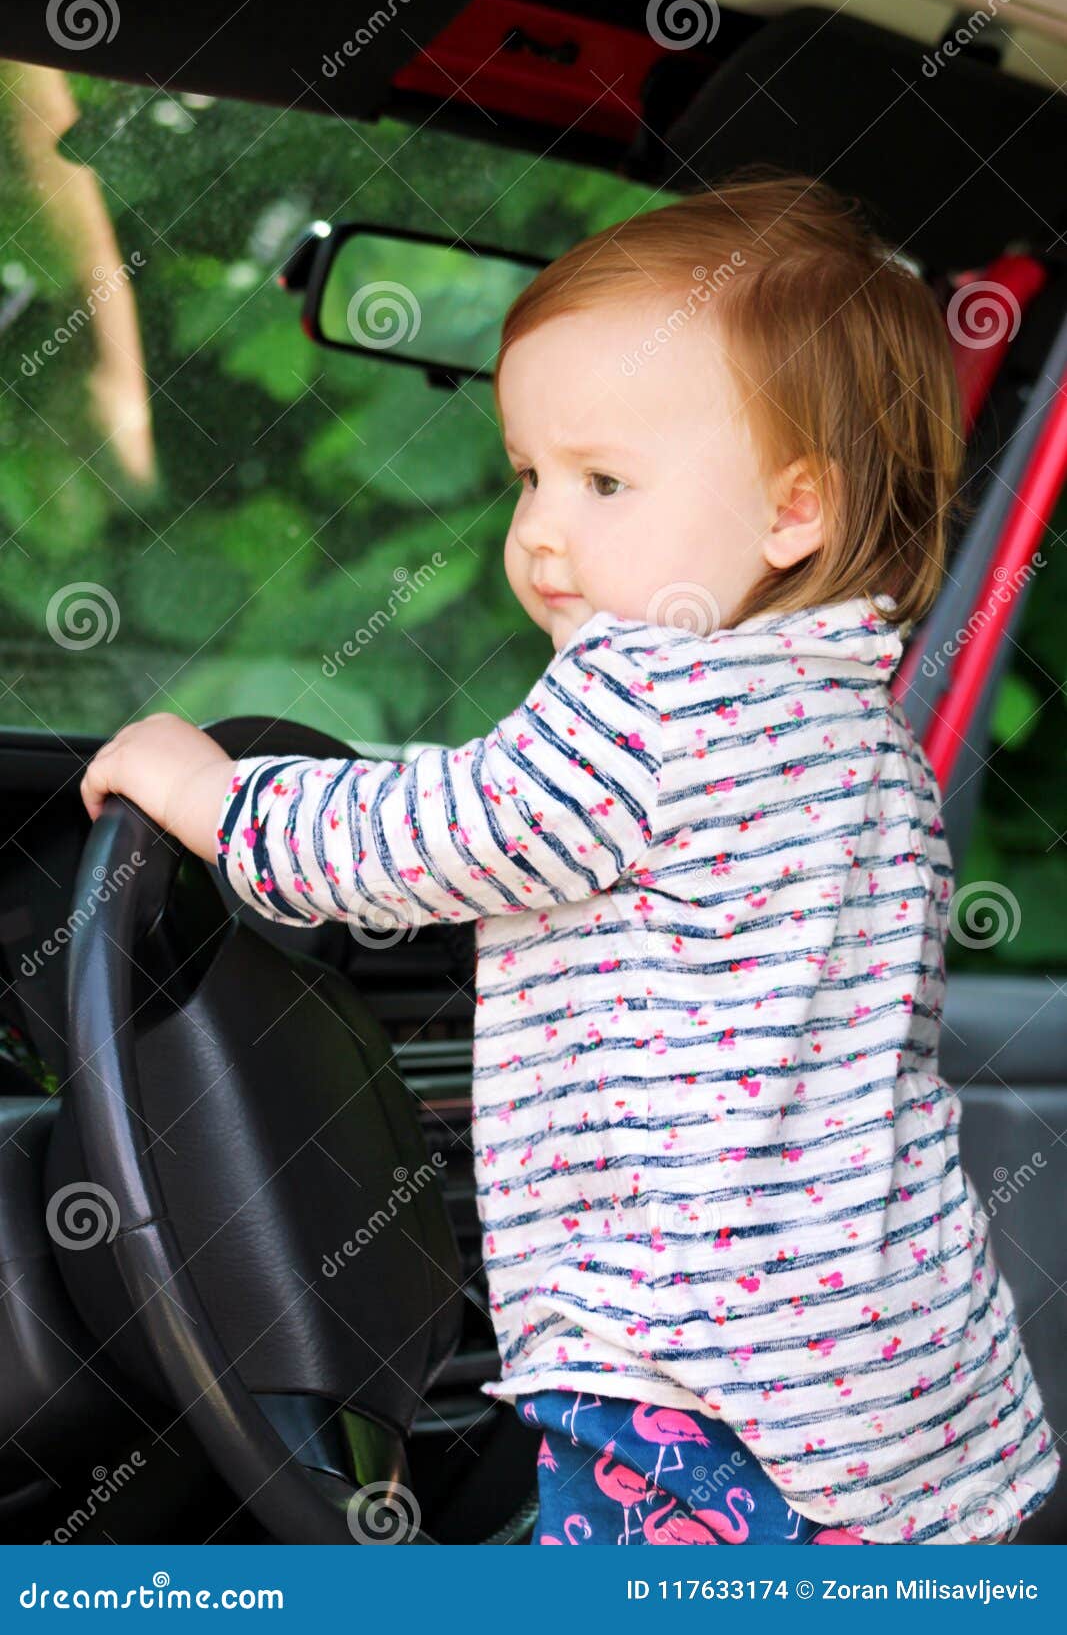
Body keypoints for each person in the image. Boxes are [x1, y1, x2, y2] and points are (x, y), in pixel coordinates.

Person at [79, 172, 1058, 1546]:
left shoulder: (646, 696)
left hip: (699, 1375)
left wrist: (210, 791)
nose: (540, 531)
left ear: (795, 513)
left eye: (603, 480)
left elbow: (410, 844)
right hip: (897, 1374)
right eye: (529, 474)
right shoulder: (862, 733)